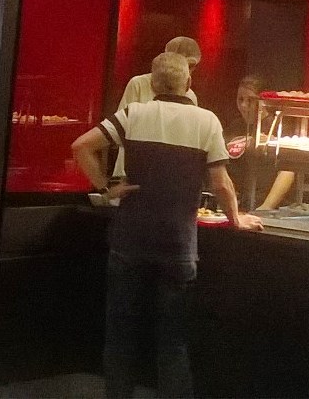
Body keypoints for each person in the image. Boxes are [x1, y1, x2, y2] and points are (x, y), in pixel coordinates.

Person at [72, 52, 262, 399]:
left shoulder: (133, 114)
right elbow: (220, 183)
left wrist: (106, 187)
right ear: (188, 82)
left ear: (152, 83)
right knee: (173, 340)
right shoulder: (207, 121)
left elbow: (81, 146)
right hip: (178, 244)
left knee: (120, 334)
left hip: (129, 240)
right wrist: (237, 219)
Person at [228, 76, 293, 211]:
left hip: (271, 206)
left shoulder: (279, 128)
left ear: (264, 102)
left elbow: (287, 171)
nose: (244, 105)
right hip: (239, 204)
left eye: (251, 100)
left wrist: (266, 207)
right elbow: (224, 165)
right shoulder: (235, 127)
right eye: (240, 99)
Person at [118, 37, 201, 108]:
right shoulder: (138, 84)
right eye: (186, 65)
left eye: (191, 66)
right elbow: (123, 119)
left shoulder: (190, 96)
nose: (188, 71)